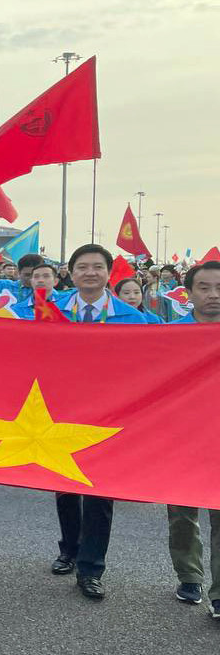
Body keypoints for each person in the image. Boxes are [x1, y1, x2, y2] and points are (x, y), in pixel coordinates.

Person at [49, 244, 146, 602]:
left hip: (108, 416)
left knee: (100, 491)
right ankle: (68, 550)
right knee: (63, 484)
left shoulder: (132, 318)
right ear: (71, 273)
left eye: (98, 267)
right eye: (82, 267)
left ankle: (91, 568)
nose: (90, 273)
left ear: (109, 273)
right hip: (60, 412)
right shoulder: (52, 312)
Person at [167, 261, 220, 617]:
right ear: (189, 293)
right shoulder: (167, 334)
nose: (213, 294)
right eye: (204, 287)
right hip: (180, 438)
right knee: (182, 515)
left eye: (219, 287)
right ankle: (189, 576)